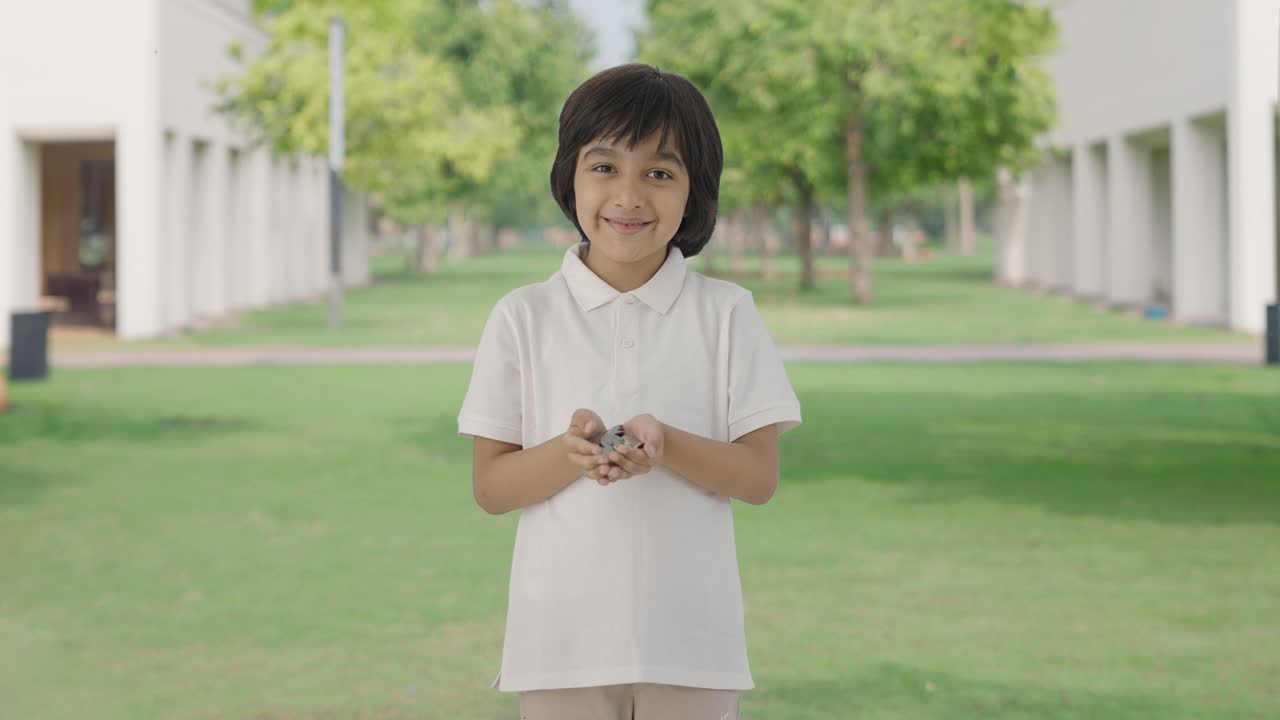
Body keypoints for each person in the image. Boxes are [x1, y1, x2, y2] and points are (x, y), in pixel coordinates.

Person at [457, 63, 802, 720]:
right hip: (560, 649)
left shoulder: (728, 314)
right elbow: (491, 489)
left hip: (693, 649)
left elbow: (758, 478)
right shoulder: (522, 317)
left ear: (694, 191)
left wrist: (666, 445)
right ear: (570, 177)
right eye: (605, 167)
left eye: (660, 173)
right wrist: (568, 455)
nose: (630, 195)